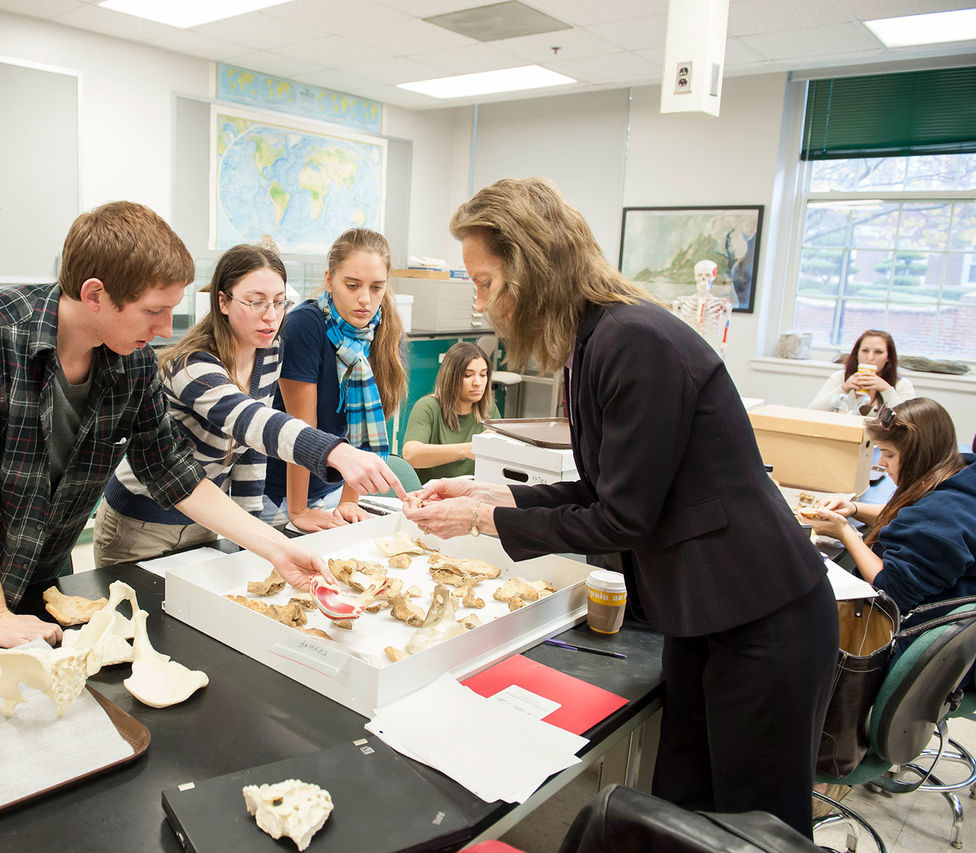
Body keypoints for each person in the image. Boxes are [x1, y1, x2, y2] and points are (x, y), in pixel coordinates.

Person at [402, 177, 837, 838]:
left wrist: (482, 519)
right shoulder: (592, 344)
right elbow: (608, 487)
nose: (482, 301)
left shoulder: (634, 339)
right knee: (683, 819)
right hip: (704, 616)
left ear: (531, 268)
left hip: (760, 618)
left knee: (751, 831)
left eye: (486, 281)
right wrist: (492, 492)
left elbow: (624, 519)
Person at [0, 202, 333, 647]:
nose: (164, 330)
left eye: (172, 310)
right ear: (94, 295)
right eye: (153, 311)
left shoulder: (130, 361)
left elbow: (172, 472)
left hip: (34, 556)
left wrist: (277, 548)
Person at [94, 242, 405, 565]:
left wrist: (252, 547)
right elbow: (252, 421)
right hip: (140, 528)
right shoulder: (192, 365)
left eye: (279, 302)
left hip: (206, 521)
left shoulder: (269, 352)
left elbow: (253, 449)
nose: (270, 317)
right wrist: (336, 452)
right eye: (255, 302)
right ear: (223, 301)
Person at [262, 228, 407, 531]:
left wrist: (350, 500)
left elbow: (363, 431)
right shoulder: (305, 325)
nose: (365, 299)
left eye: (377, 287)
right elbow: (300, 429)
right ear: (329, 280)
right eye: (352, 285)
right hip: (279, 495)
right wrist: (299, 510)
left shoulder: (382, 331)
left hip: (330, 489)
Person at [810, 398, 976, 621]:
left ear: (919, 454)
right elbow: (912, 516)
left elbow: (890, 590)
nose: (883, 464)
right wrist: (854, 508)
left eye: (888, 454)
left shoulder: (938, 519)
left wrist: (844, 532)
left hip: (904, 628)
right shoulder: (960, 473)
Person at [401, 341, 500, 482]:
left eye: (483, 375)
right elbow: (411, 455)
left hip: (473, 494)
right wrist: (468, 449)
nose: (478, 382)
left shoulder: (489, 408)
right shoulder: (428, 407)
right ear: (451, 377)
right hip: (432, 496)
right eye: (467, 375)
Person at [809, 329, 914, 416]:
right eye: (865, 351)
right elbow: (812, 412)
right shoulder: (840, 377)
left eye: (878, 352)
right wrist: (843, 388)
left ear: (888, 357)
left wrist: (886, 390)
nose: (870, 357)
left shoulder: (902, 384)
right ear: (857, 353)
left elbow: (907, 423)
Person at [671, 259, 731, 356]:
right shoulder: (682, 301)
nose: (703, 279)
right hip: (686, 345)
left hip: (710, 345)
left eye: (707, 275)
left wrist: (724, 343)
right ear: (696, 277)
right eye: (700, 275)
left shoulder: (720, 303)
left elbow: (727, 320)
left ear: (713, 277)